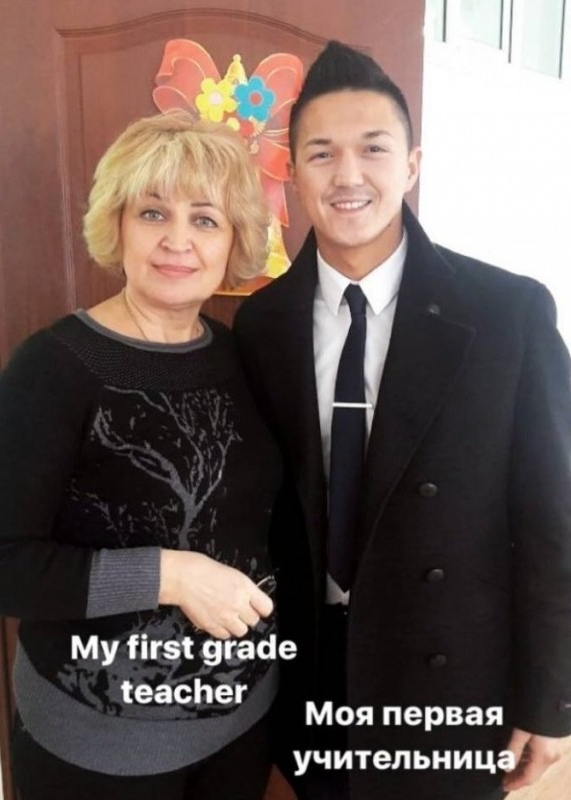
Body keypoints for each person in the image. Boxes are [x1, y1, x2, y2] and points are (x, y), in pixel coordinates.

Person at [233, 41, 571, 800]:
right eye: (322, 153)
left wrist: (551, 697)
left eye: (374, 149)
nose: (348, 175)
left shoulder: (507, 312)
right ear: (291, 172)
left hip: (453, 676)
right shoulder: (262, 322)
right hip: (312, 673)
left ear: (412, 165)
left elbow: (554, 518)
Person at [0, 111, 282, 800]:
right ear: (117, 225)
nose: (178, 240)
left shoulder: (240, 358)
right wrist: (169, 576)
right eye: (152, 212)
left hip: (243, 723)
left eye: (205, 219)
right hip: (98, 748)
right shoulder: (52, 369)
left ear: (234, 239)